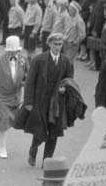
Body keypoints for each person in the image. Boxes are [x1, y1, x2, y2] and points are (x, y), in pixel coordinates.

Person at [21, 32, 75, 166]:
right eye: (55, 44)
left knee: (54, 131)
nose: (58, 47)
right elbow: (30, 82)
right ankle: (33, 150)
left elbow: (69, 81)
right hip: (40, 101)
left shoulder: (66, 61)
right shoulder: (39, 60)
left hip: (57, 103)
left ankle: (47, 161)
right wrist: (28, 101)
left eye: (60, 44)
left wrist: (65, 88)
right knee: (39, 129)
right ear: (49, 44)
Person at [0, 35, 26, 159]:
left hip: (14, 96)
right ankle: (3, 147)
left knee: (9, 121)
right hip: (0, 96)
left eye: (16, 50)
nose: (14, 52)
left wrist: (23, 83)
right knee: (3, 119)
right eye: (11, 50)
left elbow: (27, 76)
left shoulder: (23, 60)